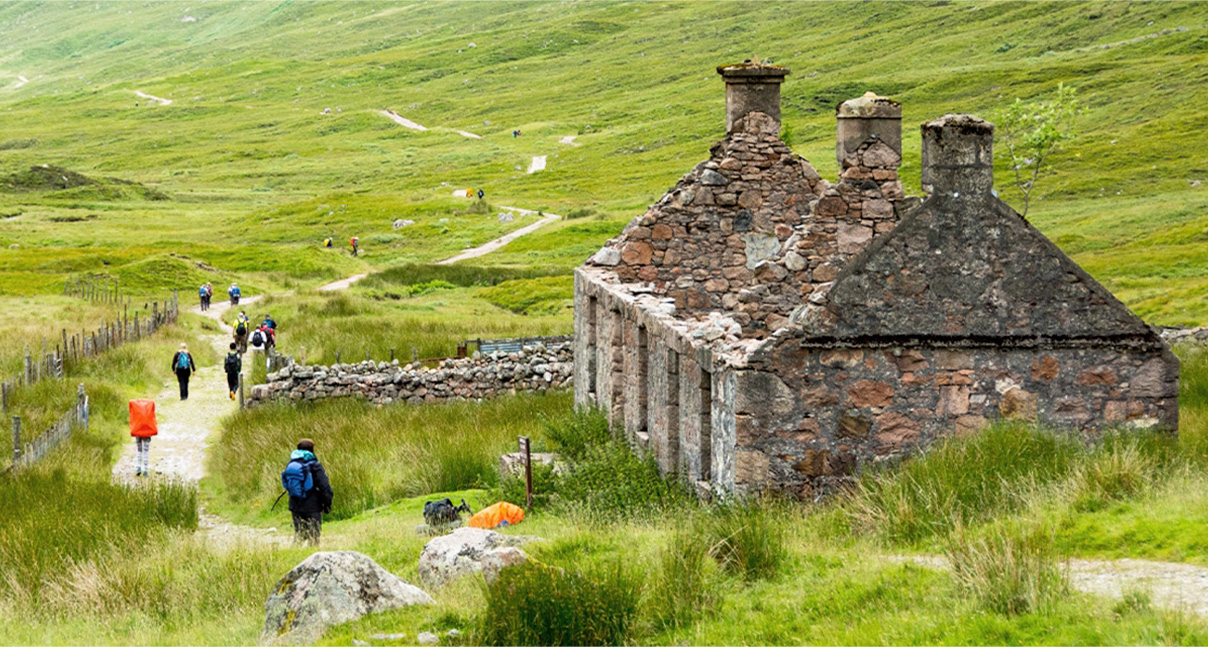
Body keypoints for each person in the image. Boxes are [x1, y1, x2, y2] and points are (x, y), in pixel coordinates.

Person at [283, 438, 333, 545]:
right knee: (314, 536)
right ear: (312, 450)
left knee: (299, 534)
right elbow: (325, 487)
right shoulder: (314, 465)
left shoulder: (291, 464)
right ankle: (313, 558)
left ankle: (294, 556)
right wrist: (327, 505)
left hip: (295, 505)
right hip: (312, 506)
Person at [129, 399, 157, 477]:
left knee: (139, 450)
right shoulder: (150, 406)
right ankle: (145, 469)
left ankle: (138, 467)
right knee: (146, 451)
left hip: (137, 431)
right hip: (147, 431)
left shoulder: (134, 407)